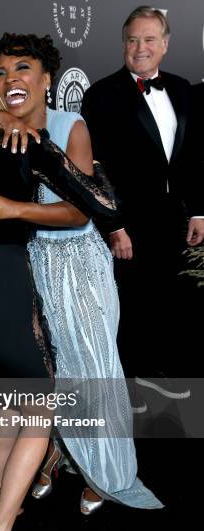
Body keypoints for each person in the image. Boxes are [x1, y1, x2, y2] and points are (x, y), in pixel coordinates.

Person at [0, 33, 163, 517]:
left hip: (73, 262)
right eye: (1, 72)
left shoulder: (66, 126)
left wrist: (12, 210)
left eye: (23, 69)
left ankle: (103, 471)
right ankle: (48, 455)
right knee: (37, 373)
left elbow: (81, 213)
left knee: (86, 369)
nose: (12, 79)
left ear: (47, 78)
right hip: (24, 267)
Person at [81, 6, 204, 400]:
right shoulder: (101, 94)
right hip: (126, 224)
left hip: (172, 217)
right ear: (123, 44)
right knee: (130, 308)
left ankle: (160, 388)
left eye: (150, 39)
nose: (140, 48)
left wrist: (198, 209)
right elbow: (92, 168)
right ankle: (129, 395)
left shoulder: (183, 89)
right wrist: (113, 225)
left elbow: (194, 156)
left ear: (165, 45)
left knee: (165, 302)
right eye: (133, 39)